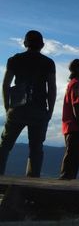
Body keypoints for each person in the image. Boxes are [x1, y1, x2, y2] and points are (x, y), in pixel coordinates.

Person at [0, 30, 56, 177]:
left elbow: (6, 84)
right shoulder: (48, 63)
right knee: (36, 148)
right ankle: (31, 188)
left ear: (25, 43)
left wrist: (7, 107)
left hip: (17, 108)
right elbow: (51, 88)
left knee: (5, 145)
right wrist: (50, 111)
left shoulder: (14, 60)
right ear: (42, 45)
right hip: (39, 109)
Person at [60, 59, 79, 180]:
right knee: (73, 159)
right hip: (74, 127)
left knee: (72, 158)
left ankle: (65, 184)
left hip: (69, 127)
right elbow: (76, 105)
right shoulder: (76, 84)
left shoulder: (72, 84)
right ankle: (64, 187)